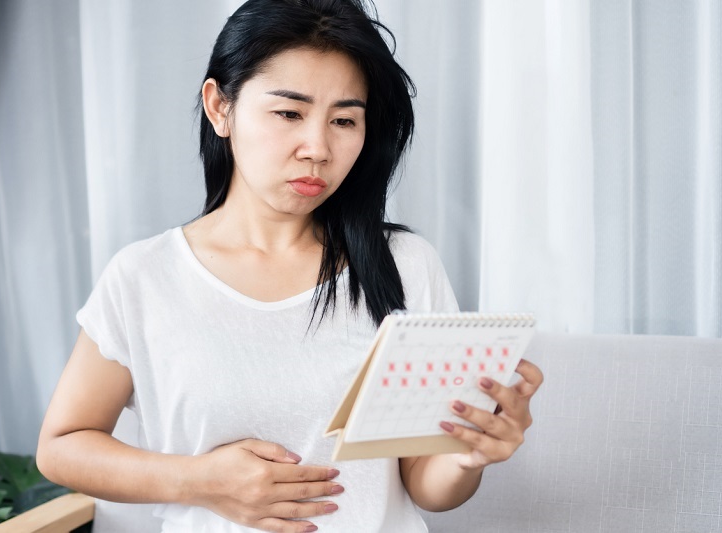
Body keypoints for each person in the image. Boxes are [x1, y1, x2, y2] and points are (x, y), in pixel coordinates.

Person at [37, 0, 543, 531]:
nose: (318, 148)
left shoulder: (405, 266)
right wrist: (199, 481)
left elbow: (424, 483)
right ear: (220, 108)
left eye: (344, 120)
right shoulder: (144, 277)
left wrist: (469, 454)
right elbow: (63, 447)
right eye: (288, 113)